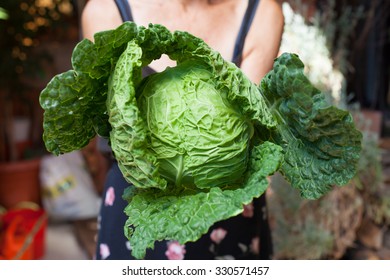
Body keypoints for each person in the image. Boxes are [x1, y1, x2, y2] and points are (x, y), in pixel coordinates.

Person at [81, 0, 284, 260]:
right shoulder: (105, 10)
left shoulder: (261, 11)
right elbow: (112, 125)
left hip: (228, 204)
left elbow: (254, 123)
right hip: (141, 210)